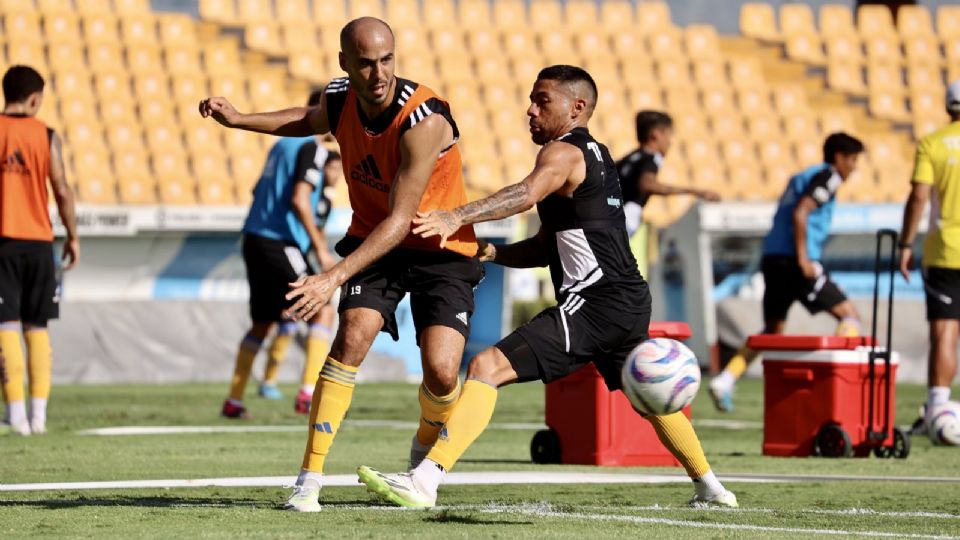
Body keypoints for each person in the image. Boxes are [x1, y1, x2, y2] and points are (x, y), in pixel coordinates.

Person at [357, 65, 738, 509]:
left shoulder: (563, 153)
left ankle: (425, 479)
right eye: (531, 100)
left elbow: (525, 193)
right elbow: (548, 245)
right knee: (649, 397)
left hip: (595, 301)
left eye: (542, 101)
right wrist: (493, 253)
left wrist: (455, 216)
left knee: (485, 367)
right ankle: (712, 487)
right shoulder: (597, 154)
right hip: (626, 299)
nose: (530, 110)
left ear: (577, 108)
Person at [199, 17, 483, 512]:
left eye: (387, 60)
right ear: (345, 64)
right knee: (350, 338)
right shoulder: (339, 97)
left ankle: (421, 448)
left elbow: (401, 219)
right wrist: (240, 119)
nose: (379, 73)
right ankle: (308, 481)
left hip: (440, 246)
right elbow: (306, 118)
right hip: (376, 242)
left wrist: (332, 276)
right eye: (367, 63)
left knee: (441, 372)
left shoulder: (426, 120)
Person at [708, 133, 866, 412]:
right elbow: (801, 213)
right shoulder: (829, 177)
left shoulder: (801, 176)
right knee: (849, 315)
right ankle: (837, 387)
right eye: (852, 160)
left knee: (772, 330)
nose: (854, 167)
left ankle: (725, 379)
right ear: (839, 157)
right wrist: (804, 258)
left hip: (773, 259)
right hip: (796, 261)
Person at [220, 90, 342, 419]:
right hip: (280, 241)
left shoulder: (280, 145)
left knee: (262, 322)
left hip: (254, 236)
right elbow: (300, 200)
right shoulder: (311, 146)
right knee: (323, 308)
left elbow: (257, 190)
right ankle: (306, 395)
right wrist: (320, 250)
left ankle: (233, 400)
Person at [0, 65, 79, 436]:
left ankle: (15, 417)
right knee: (38, 327)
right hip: (39, 243)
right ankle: (39, 417)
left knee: (6, 326)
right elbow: (62, 189)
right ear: (34, 98)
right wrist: (73, 236)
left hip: (2, 242)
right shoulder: (47, 135)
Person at [899, 80, 960, 433]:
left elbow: (919, 198)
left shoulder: (933, 143)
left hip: (946, 251)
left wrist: (906, 244)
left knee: (945, 331)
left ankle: (938, 409)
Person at [616, 110, 719, 236]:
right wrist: (695, 191)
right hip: (624, 221)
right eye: (668, 135)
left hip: (609, 217)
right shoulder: (651, 158)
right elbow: (647, 184)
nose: (669, 142)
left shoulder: (629, 158)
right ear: (656, 135)